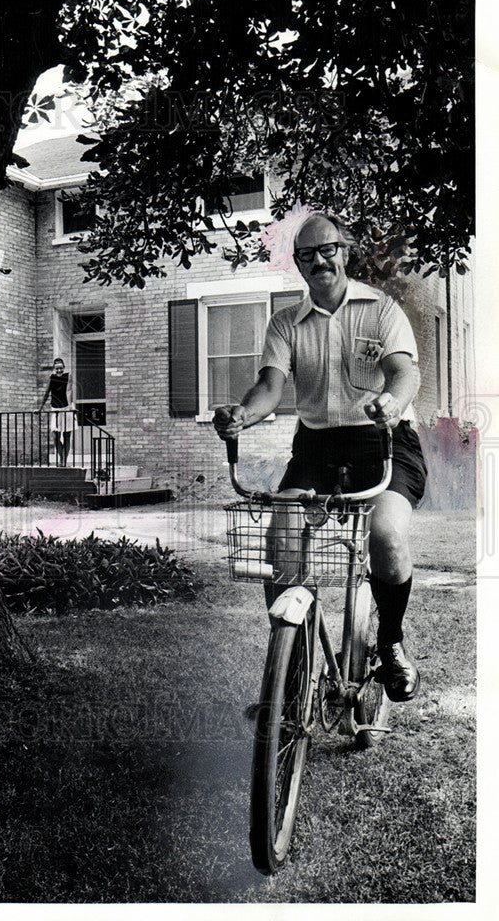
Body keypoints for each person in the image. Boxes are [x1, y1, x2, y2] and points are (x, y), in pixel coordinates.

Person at [214, 212, 427, 702]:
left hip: (382, 439)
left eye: (327, 249)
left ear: (345, 251)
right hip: (316, 445)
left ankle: (391, 643)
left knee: (387, 533)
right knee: (279, 536)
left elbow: (404, 373)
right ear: (298, 265)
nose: (319, 261)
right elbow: (270, 386)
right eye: (306, 255)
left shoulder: (381, 310)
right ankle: (291, 659)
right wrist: (244, 415)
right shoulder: (286, 322)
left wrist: (391, 402)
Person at [40, 358, 74, 466]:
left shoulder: (68, 376)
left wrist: (70, 407)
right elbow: (47, 392)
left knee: (67, 436)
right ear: (54, 369)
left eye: (61, 368)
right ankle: (62, 458)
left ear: (64, 368)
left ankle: (63, 461)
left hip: (66, 409)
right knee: (55, 436)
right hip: (55, 409)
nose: (59, 371)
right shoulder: (52, 378)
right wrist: (40, 408)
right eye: (57, 369)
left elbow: (69, 391)